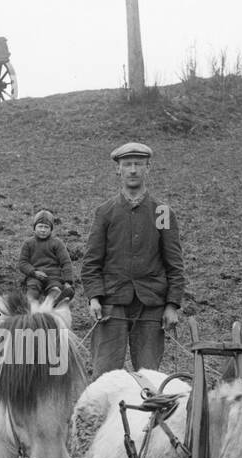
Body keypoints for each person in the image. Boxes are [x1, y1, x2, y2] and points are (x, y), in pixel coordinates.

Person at [79, 141, 185, 372]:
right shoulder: (105, 212)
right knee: (104, 376)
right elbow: (91, 262)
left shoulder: (161, 212)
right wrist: (94, 298)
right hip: (112, 302)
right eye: (127, 164)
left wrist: (172, 304)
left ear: (148, 168)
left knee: (148, 377)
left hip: (151, 305)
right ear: (118, 169)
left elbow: (174, 264)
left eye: (139, 164)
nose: (133, 169)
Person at [16, 209, 75, 303]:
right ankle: (31, 304)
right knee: (32, 288)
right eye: (40, 227)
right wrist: (33, 272)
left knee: (55, 288)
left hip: (53, 276)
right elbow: (23, 263)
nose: (43, 230)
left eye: (46, 227)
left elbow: (66, 262)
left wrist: (68, 281)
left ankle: (52, 301)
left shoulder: (57, 243)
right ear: (34, 228)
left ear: (51, 229)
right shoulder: (28, 243)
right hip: (34, 276)